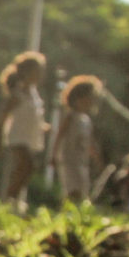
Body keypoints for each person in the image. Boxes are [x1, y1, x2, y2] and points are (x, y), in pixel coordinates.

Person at [0, 53, 48, 202]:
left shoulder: (34, 94)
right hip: (17, 137)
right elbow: (3, 116)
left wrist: (44, 127)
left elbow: (33, 117)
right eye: (38, 71)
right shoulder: (17, 93)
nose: (41, 74)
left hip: (29, 137)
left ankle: (13, 199)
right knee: (27, 166)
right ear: (28, 72)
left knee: (24, 169)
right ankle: (9, 199)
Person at [50, 75, 104, 204]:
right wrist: (53, 154)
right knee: (72, 190)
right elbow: (59, 135)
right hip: (69, 159)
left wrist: (96, 158)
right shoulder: (70, 116)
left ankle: (75, 215)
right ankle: (67, 213)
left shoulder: (86, 120)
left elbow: (89, 142)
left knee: (82, 189)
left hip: (81, 161)